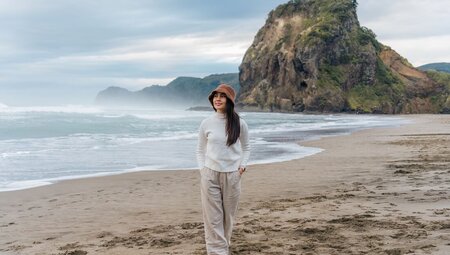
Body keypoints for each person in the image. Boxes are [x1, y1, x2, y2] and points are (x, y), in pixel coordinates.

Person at [196, 83, 250, 255]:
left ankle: (223, 247)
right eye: (215, 96)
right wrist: (202, 170)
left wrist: (242, 166)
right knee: (212, 219)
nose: (218, 99)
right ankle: (217, 252)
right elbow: (200, 149)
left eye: (222, 96)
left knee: (228, 218)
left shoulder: (240, 123)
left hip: (232, 175)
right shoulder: (206, 123)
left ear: (230, 100)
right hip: (210, 174)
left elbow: (246, 147)